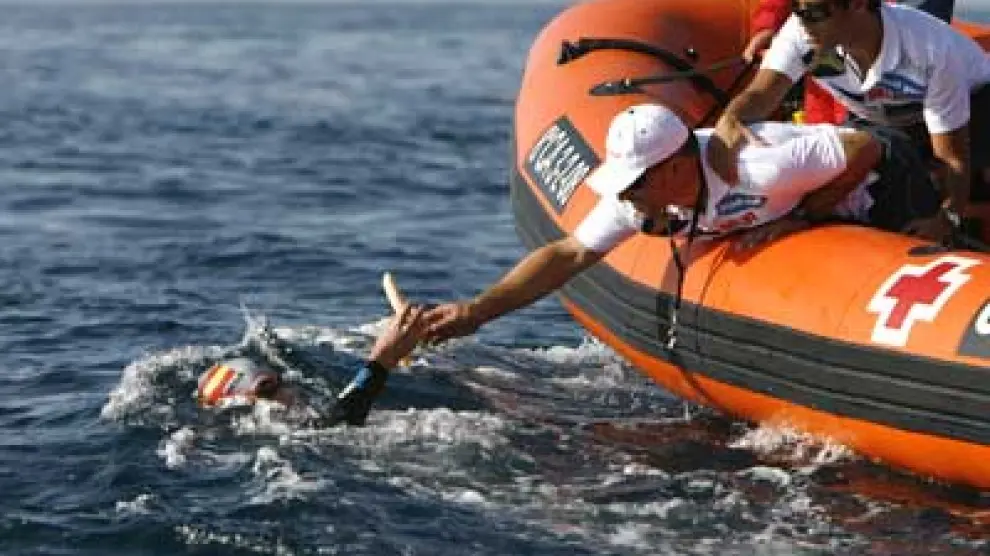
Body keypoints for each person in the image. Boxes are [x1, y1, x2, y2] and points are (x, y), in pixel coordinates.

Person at [423, 103, 937, 342]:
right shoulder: (644, 200)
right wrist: (476, 311)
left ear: (674, 168)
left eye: (635, 183)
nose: (626, 195)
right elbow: (569, 253)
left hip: (879, 181)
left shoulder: (757, 168)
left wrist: (804, 216)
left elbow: (868, 148)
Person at [710, 0, 990, 243]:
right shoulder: (801, 33)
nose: (803, 22)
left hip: (973, 110)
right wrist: (729, 121)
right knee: (863, 163)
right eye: (796, 9)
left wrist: (948, 217)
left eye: (815, 12)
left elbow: (952, 157)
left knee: (921, 174)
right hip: (883, 114)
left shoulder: (929, 50)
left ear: (857, 4)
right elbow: (760, 94)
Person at [197, 304, 427, 426]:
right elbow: (340, 421)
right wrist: (382, 360)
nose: (288, 388)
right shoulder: (295, 435)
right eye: (271, 386)